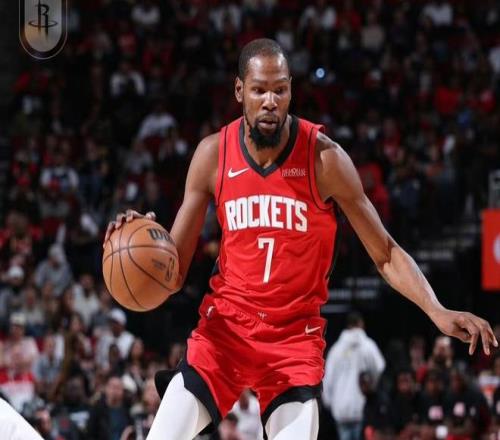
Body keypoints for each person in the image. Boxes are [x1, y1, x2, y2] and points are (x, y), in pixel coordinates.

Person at [104, 38, 498, 440]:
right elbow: (172, 275)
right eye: (259, 90)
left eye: (280, 89)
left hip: (292, 341)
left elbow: (385, 253)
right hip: (225, 334)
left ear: (291, 90)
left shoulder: (325, 160)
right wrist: (141, 242)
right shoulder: (212, 156)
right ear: (239, 91)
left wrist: (436, 310)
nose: (270, 101)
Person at [322, 312, 385, 440]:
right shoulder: (368, 346)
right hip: (363, 406)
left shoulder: (336, 350)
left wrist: (329, 402)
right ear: (361, 323)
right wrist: (372, 390)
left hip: (340, 408)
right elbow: (379, 367)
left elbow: (327, 378)